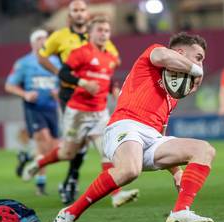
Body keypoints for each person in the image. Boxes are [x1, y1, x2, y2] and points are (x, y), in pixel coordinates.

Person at [51, 32, 216, 222]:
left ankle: (180, 211)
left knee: (204, 150)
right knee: (129, 171)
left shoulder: (174, 93)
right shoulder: (154, 53)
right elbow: (163, 56)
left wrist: (177, 172)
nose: (200, 64)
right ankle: (70, 213)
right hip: (125, 126)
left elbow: (161, 134)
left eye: (201, 61)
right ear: (179, 52)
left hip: (152, 139)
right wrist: (197, 71)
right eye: (198, 58)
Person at [21, 16, 139, 208]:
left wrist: (118, 96)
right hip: (77, 112)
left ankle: (116, 195)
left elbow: (107, 81)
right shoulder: (80, 53)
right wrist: (83, 83)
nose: (103, 34)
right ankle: (39, 163)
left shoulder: (109, 57)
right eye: (99, 30)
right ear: (90, 33)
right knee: (67, 153)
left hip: (100, 113)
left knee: (108, 153)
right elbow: (64, 73)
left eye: (106, 31)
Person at [33, 0, 121, 204]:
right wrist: (60, 74)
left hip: (94, 97)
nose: (80, 13)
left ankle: (71, 179)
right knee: (77, 144)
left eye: (83, 10)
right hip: (70, 94)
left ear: (87, 14)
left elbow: (114, 60)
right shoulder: (59, 36)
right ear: (69, 15)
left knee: (88, 143)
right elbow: (42, 57)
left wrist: (107, 82)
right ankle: (71, 179)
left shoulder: (99, 37)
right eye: (75, 10)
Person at [5, 29, 61, 195]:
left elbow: (63, 83)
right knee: (43, 140)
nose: (42, 41)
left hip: (51, 109)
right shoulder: (23, 63)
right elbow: (9, 86)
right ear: (32, 43)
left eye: (45, 38)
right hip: (34, 109)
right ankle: (41, 185)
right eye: (39, 39)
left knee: (51, 149)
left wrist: (58, 91)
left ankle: (28, 158)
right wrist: (25, 94)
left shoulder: (55, 62)